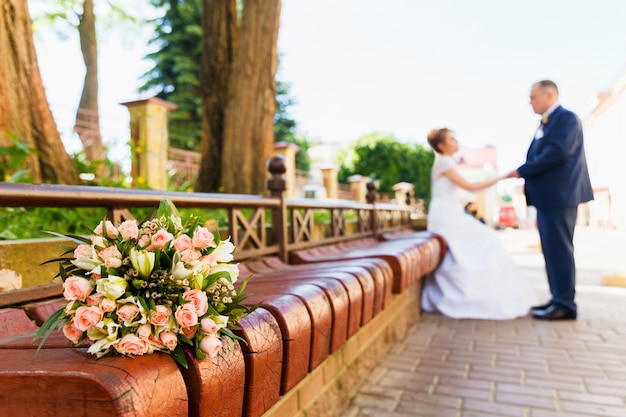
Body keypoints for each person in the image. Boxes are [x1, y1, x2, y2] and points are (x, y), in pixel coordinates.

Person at [422, 128, 538, 320]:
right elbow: (471, 187)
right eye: (451, 139)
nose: (456, 141)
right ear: (441, 146)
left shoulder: (447, 162)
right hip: (445, 217)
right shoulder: (443, 162)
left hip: (452, 214)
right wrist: (503, 177)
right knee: (488, 239)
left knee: (485, 240)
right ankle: (474, 296)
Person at [505, 80, 593, 321]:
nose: (530, 102)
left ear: (549, 95)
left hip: (560, 196)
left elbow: (556, 153)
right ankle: (558, 298)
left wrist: (523, 170)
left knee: (559, 250)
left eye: (533, 97)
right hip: (549, 198)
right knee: (551, 251)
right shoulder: (547, 121)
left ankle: (565, 304)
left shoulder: (566, 119)